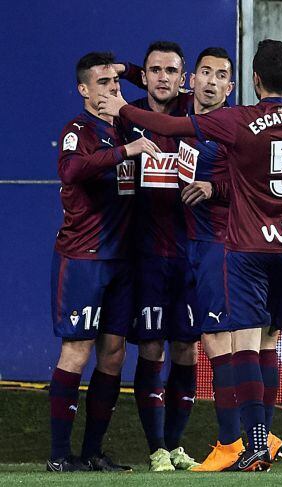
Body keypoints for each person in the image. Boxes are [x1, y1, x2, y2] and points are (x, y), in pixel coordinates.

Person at [98, 39, 282, 471]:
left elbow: (170, 128)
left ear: (249, 81)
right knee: (264, 339)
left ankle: (238, 442)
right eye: (206, 74)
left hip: (242, 245)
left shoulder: (235, 121)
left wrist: (121, 106)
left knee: (237, 343)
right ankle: (261, 438)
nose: (211, 82)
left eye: (222, 76)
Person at [48, 51, 160, 472]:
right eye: (101, 84)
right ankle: (59, 456)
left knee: (113, 355)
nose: (111, 91)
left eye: (114, 84)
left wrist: (129, 72)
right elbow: (72, 171)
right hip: (84, 258)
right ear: (83, 90)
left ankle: (93, 452)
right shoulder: (78, 130)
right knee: (76, 351)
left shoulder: (129, 126)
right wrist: (126, 150)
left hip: (123, 262)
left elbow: (171, 95)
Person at [121, 41, 200, 472]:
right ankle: (155, 449)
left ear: (183, 77)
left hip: (190, 257)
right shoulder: (128, 120)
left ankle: (175, 444)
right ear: (145, 76)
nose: (162, 77)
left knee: (187, 350)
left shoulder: (196, 116)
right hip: (148, 257)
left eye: (171, 70)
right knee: (151, 348)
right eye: (154, 70)